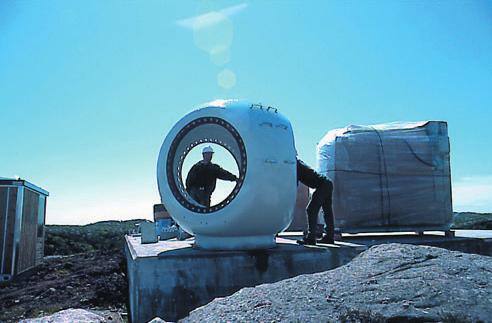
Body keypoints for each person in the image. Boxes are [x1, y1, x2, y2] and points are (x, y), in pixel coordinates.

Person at [296, 158, 335, 245]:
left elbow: (295, 183)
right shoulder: (298, 163)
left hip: (322, 185)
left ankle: (311, 238)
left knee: (311, 209)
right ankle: (329, 236)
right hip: (327, 183)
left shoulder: (295, 165)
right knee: (327, 211)